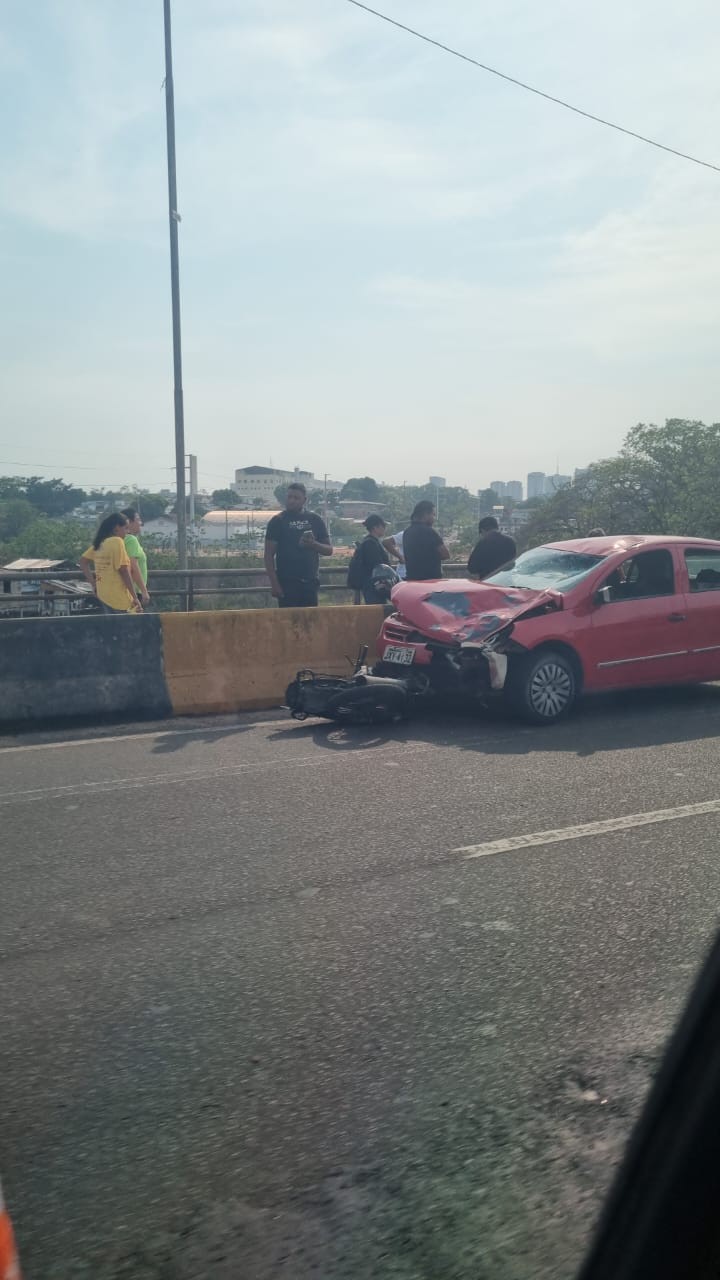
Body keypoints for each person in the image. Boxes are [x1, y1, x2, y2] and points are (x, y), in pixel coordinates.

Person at [264, 482, 333, 608]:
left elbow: (329, 550)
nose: (291, 501)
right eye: (289, 497)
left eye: (296, 498)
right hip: (287, 584)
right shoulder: (278, 521)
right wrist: (274, 584)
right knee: (289, 623)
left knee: (309, 623)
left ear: (304, 500)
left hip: (310, 583)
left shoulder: (315, 519)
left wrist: (314, 545)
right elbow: (268, 556)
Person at [79, 513, 142, 614]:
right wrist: (135, 597)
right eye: (126, 528)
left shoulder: (100, 543)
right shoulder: (117, 541)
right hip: (118, 598)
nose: (127, 532)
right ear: (117, 528)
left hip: (103, 595)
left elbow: (83, 562)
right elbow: (124, 571)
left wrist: (93, 583)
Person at [348, 514, 392, 603]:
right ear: (375, 527)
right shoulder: (370, 544)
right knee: (377, 611)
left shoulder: (370, 541)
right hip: (373, 585)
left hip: (373, 585)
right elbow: (376, 565)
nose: (384, 528)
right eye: (383, 526)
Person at [402, 500, 450, 581]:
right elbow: (446, 554)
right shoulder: (429, 532)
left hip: (412, 581)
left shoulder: (407, 532)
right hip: (430, 582)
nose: (434, 518)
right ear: (425, 514)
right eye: (433, 515)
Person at [468, 516, 516, 580]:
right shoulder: (510, 541)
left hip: (489, 583)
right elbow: (512, 564)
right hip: (506, 583)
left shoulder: (483, 543)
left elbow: (472, 568)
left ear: (483, 530)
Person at [120, 507, 151, 607]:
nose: (140, 523)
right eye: (138, 519)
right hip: (134, 592)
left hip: (122, 590)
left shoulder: (117, 540)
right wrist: (144, 591)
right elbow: (133, 565)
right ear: (129, 522)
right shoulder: (131, 540)